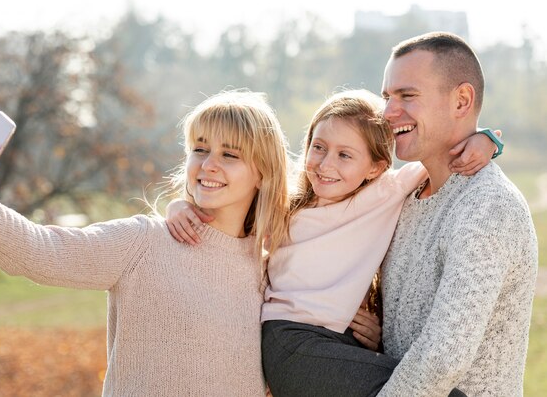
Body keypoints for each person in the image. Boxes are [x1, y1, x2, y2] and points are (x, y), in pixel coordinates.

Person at [0, 89, 292, 396]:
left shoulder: (274, 270)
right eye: (200, 149)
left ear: (263, 173)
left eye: (230, 155)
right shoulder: (145, 242)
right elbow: (41, 252)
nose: (209, 165)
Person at [166, 88, 498, 396]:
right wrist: (178, 205)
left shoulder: (384, 194)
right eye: (319, 147)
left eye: (345, 155)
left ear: (375, 168)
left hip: (337, 343)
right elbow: (226, 210)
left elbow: (442, 157)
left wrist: (488, 140)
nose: (325, 165)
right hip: (291, 343)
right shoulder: (286, 205)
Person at [376, 31, 538, 396]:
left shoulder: (488, 207)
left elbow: (442, 359)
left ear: (462, 101)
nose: (388, 112)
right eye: (387, 97)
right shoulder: (407, 193)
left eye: (407, 95)